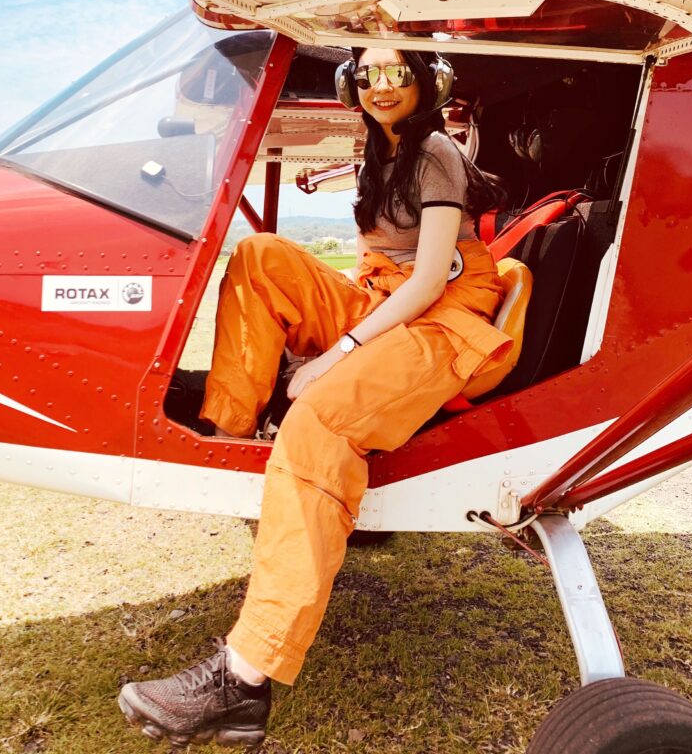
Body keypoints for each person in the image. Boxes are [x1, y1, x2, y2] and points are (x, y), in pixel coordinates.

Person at [118, 47, 514, 749]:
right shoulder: (379, 152)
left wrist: (337, 354)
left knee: (319, 419)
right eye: (367, 75)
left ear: (426, 82)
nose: (381, 87)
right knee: (261, 256)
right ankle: (230, 440)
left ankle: (244, 680)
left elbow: (429, 282)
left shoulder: (435, 153)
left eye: (397, 73)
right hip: (385, 301)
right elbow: (380, 272)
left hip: (444, 317)